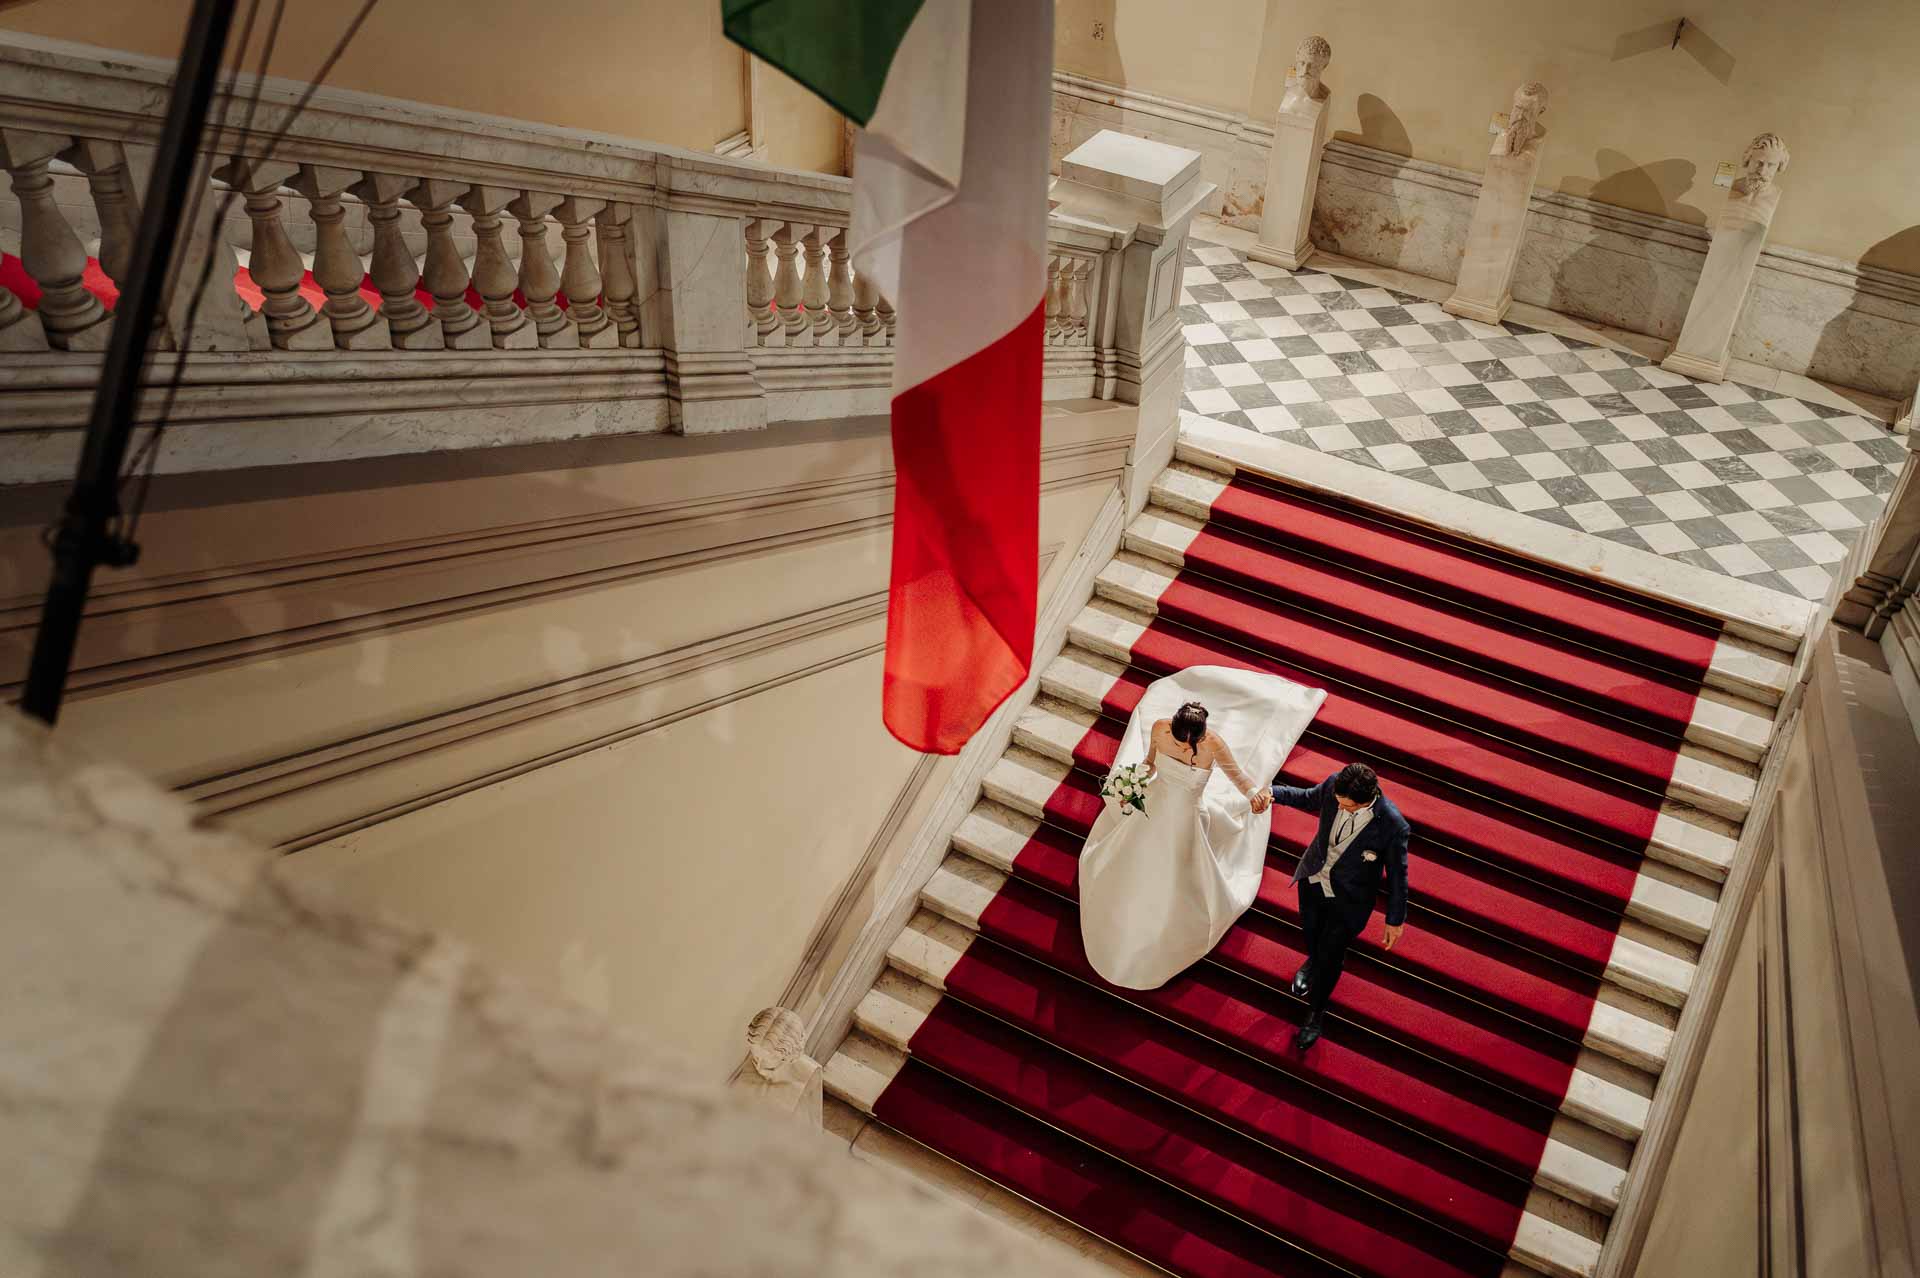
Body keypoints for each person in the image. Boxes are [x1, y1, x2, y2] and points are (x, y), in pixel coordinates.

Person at [1079, 666, 1326, 991]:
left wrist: (1255, 795)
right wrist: (1131, 781)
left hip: (1187, 814)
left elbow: (1239, 777)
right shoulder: (1160, 729)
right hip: (1156, 802)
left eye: (1190, 742)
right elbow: (1150, 763)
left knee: (1179, 865)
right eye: (1180, 740)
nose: (1185, 747)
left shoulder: (1213, 744)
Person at [1265, 762, 1410, 1052]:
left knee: (1331, 956)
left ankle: (1315, 1013)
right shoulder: (1334, 785)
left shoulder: (1393, 825)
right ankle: (1313, 961)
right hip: (1313, 881)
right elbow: (1307, 798)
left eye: (1348, 807)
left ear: (1367, 800)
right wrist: (1271, 792)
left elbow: (1398, 875)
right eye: (1339, 803)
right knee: (1312, 935)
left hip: (1350, 901)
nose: (1340, 808)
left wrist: (1395, 919)